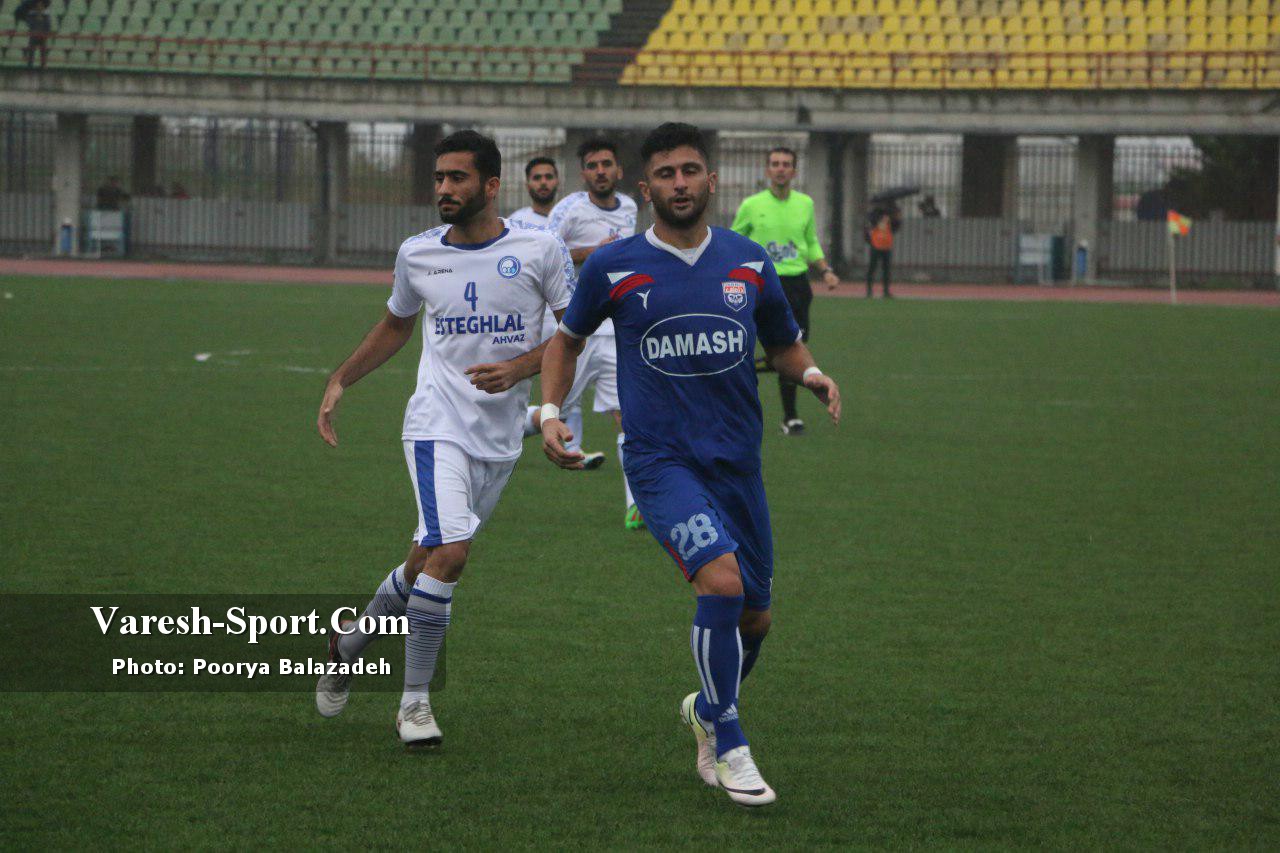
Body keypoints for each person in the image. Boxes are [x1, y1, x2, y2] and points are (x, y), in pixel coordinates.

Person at [539, 122, 841, 807]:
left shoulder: (748, 261)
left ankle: (704, 709)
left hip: (737, 461)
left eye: (690, 171)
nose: (680, 183)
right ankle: (729, 742)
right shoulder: (613, 265)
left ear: (712, 180)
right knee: (722, 582)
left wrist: (811, 373)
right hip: (659, 460)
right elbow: (566, 341)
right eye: (666, 174)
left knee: (756, 619)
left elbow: (783, 343)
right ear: (646, 189)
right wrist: (551, 410)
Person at [313, 130, 574, 749]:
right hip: (436, 426)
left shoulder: (540, 249)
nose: (444, 189)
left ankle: (348, 647)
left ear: (491, 185)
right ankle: (414, 704)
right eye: (439, 178)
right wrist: (340, 379)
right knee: (452, 553)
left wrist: (522, 374)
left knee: (425, 558)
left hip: (500, 436)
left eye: (458, 178)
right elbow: (395, 324)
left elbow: (574, 333)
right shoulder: (417, 253)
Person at [523, 137, 641, 527]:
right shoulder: (568, 209)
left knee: (629, 416)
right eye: (593, 166)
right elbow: (544, 253)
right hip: (578, 329)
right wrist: (591, 253)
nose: (600, 171)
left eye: (607, 164)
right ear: (583, 173)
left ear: (618, 170)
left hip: (616, 329)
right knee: (551, 412)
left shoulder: (630, 207)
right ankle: (506, 428)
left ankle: (636, 505)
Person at [730, 146, 840, 437]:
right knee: (767, 346)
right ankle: (783, 413)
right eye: (776, 164)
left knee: (795, 347)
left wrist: (825, 269)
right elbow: (733, 240)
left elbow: (811, 241)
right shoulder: (752, 205)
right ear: (768, 170)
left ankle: (786, 413)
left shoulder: (805, 204)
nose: (780, 168)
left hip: (797, 285)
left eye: (786, 164)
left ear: (794, 171)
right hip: (763, 284)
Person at [508, 155, 558, 228]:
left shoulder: (569, 219)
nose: (543, 182)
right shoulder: (515, 222)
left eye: (548, 177)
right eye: (537, 178)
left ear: (557, 182)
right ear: (527, 185)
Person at [864, 204, 900, 299]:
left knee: (886, 270)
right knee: (872, 268)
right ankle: (869, 290)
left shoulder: (891, 220)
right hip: (876, 246)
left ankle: (886, 290)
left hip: (886, 247)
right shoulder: (874, 219)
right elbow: (868, 228)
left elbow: (896, 227)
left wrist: (896, 217)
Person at [17, 0, 51, 70]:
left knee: (42, 49)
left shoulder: (46, 16)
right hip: (34, 31)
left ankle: (42, 65)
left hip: (42, 32)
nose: (39, 7)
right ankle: (30, 65)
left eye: (41, 6)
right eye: (38, 5)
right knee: (32, 49)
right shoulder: (31, 15)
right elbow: (30, 24)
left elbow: (48, 27)